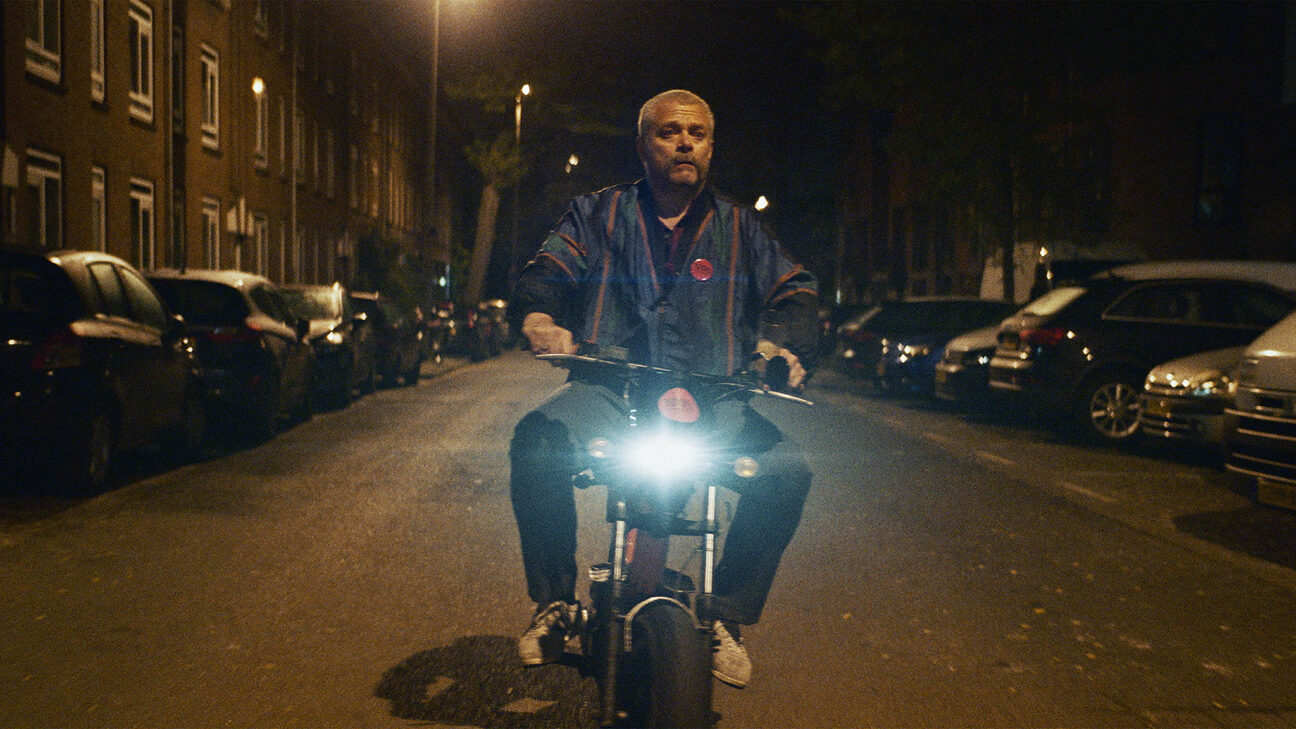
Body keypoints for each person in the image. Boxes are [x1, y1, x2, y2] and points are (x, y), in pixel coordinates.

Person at [509, 89, 818, 688]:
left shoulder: (741, 227)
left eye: (697, 134)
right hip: (610, 390)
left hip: (716, 399)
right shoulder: (595, 214)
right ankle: (554, 602)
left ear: (710, 147)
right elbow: (548, 270)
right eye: (669, 132)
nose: (684, 144)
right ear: (642, 144)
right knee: (536, 441)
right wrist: (540, 318)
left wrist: (783, 346)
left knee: (788, 470)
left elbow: (796, 290)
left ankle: (726, 612)